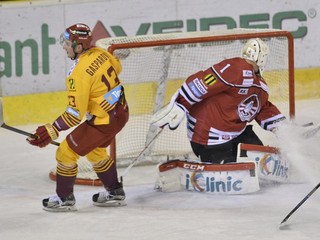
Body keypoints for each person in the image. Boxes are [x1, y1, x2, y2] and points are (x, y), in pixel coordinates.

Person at [27, 23, 129, 212]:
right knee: (95, 151)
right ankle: (115, 191)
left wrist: (53, 129)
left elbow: (75, 114)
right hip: (121, 112)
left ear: (79, 46)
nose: (64, 46)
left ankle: (64, 198)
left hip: (104, 121)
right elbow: (118, 69)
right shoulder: (101, 52)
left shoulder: (78, 74)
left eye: (67, 43)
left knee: (65, 153)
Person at [151, 38, 285, 164]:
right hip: (210, 138)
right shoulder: (237, 68)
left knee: (261, 162)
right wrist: (181, 103)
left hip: (238, 134)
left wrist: (284, 129)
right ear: (262, 59)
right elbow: (207, 81)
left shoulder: (260, 86)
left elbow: (261, 107)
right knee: (230, 175)